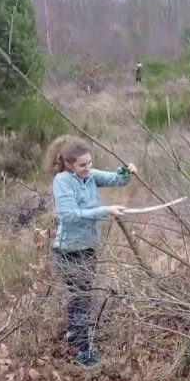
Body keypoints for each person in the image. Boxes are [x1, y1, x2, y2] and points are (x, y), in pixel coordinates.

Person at [44, 135, 137, 366]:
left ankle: (73, 336)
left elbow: (117, 179)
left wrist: (127, 171)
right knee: (83, 298)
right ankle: (83, 350)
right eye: (82, 165)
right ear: (68, 164)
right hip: (69, 250)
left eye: (90, 163)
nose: (88, 168)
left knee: (80, 297)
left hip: (88, 248)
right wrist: (104, 209)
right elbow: (68, 215)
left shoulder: (90, 176)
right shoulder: (63, 181)